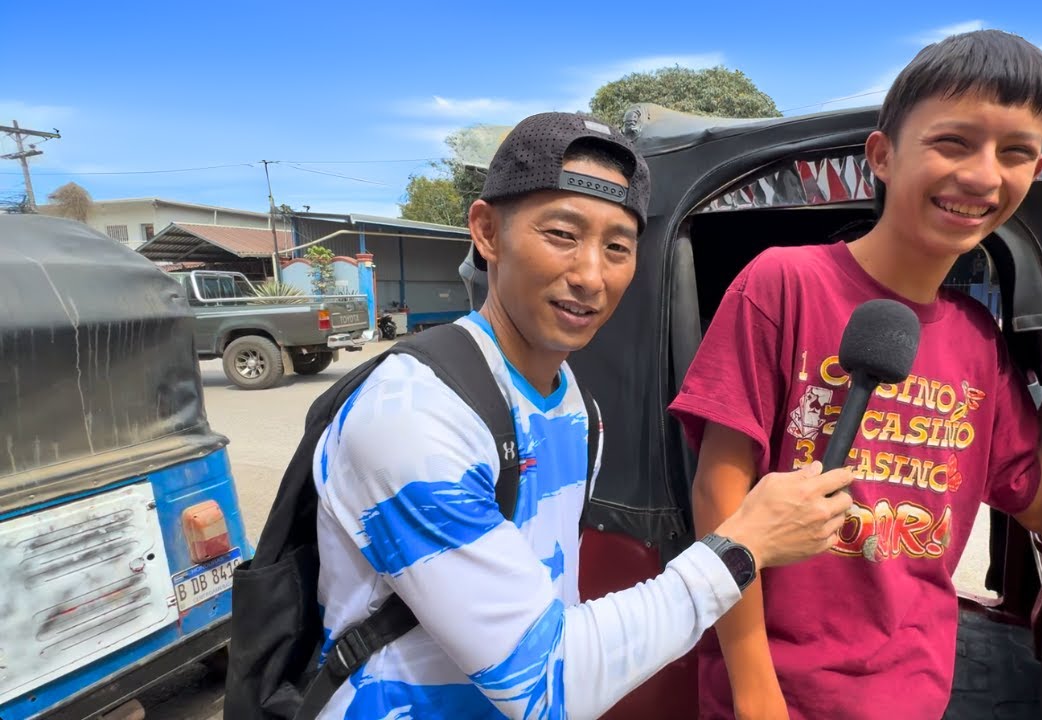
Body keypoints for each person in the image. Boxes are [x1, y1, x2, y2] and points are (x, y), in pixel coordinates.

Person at [309, 112, 857, 719]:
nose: (591, 276)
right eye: (562, 235)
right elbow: (543, 686)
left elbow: (555, 604)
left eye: (617, 247)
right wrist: (742, 545)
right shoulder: (413, 418)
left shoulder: (572, 400)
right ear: (486, 232)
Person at [667, 30, 1042, 720]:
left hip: (910, 692)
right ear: (883, 156)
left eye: (1012, 153)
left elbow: (1039, 502)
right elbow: (720, 493)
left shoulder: (978, 340)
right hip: (774, 689)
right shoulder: (783, 284)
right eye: (953, 142)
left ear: (1034, 169)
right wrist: (755, 690)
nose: (983, 176)